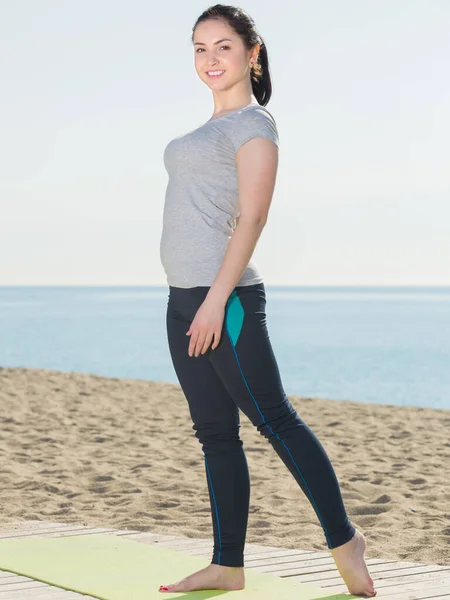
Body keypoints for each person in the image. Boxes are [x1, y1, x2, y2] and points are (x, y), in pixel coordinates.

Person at [158, 4, 376, 597]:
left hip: (222, 302)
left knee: (275, 420)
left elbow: (252, 217)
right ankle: (227, 565)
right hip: (183, 300)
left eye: (223, 46)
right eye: (200, 47)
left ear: (252, 54)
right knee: (215, 434)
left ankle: (343, 538)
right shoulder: (206, 129)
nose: (209, 58)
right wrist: (191, 302)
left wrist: (214, 301)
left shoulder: (255, 125)